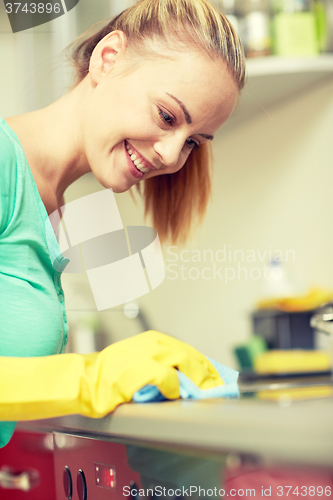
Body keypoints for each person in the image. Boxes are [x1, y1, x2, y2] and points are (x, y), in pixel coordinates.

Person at [0, 0, 245, 447]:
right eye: (167, 116)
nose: (171, 157)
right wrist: (90, 377)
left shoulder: (52, 205)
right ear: (107, 58)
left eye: (192, 141)